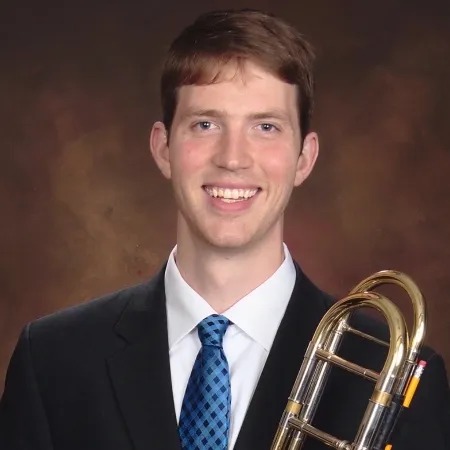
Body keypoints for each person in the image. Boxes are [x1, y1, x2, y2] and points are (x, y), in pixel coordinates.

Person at [1, 8, 449, 450]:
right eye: (206, 124)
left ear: (304, 158)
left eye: (266, 127)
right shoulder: (52, 360)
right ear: (163, 148)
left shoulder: (399, 380)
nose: (233, 158)